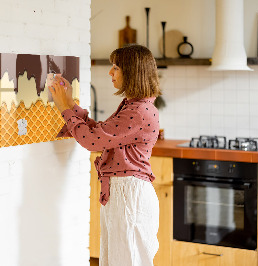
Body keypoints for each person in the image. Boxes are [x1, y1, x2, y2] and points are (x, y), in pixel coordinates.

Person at [49, 44, 161, 266]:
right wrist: (71, 104)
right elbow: (100, 133)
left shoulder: (138, 111)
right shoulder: (134, 106)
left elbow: (92, 141)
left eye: (116, 67)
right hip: (124, 193)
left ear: (132, 72)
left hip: (129, 195)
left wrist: (64, 108)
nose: (110, 72)